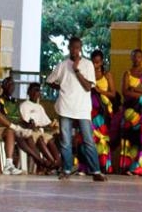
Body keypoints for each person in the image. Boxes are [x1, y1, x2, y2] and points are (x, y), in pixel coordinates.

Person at [46, 36, 107, 181]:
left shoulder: (87, 65)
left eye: (77, 48)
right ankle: (66, 169)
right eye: (72, 48)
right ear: (69, 48)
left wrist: (77, 71)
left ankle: (95, 171)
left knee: (88, 140)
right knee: (65, 141)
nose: (75, 50)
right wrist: (60, 87)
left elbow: (88, 87)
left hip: (82, 108)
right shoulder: (62, 65)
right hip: (65, 106)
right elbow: (49, 81)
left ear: (81, 49)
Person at [119, 48, 142, 176]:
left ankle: (141, 167)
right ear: (131, 58)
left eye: (139, 56)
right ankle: (129, 167)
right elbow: (125, 92)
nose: (136, 59)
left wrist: (135, 89)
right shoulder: (127, 74)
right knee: (131, 139)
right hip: (131, 113)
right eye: (134, 56)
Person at [20, 82, 62, 171]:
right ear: (29, 92)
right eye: (34, 90)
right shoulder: (24, 105)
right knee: (41, 139)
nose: (36, 93)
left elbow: (46, 122)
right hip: (30, 132)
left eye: (38, 90)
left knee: (50, 139)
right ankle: (53, 164)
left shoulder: (39, 107)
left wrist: (54, 125)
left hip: (40, 131)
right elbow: (25, 122)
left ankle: (57, 162)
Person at [90, 49, 116, 174]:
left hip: (104, 109)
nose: (96, 65)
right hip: (90, 109)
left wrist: (100, 91)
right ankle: (91, 165)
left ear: (101, 62)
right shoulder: (88, 74)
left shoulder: (107, 75)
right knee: (91, 137)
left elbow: (113, 93)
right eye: (94, 62)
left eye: (98, 62)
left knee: (103, 138)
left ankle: (104, 165)